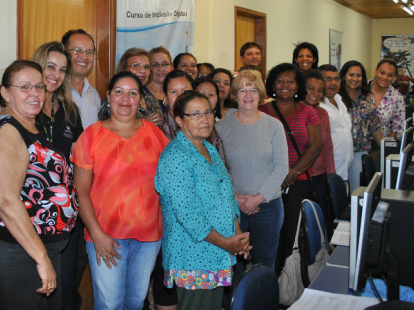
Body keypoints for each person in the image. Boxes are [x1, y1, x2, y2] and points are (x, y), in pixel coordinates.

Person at [0, 60, 77, 310]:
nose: (35, 93)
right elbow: (5, 200)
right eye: (25, 87)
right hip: (14, 250)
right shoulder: (8, 131)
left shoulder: (30, 124)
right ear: (6, 93)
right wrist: (41, 257)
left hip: (36, 247)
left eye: (39, 87)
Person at [72, 72, 170, 310]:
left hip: (148, 238)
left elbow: (169, 185)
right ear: (108, 96)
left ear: (140, 100)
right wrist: (96, 235)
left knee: (136, 302)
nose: (125, 99)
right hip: (105, 235)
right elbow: (81, 191)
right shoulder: (91, 136)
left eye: (133, 93)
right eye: (119, 92)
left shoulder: (155, 135)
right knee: (109, 304)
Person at [155, 91, 251, 310]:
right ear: (179, 120)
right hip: (192, 256)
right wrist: (227, 243)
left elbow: (228, 195)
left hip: (217, 251)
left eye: (207, 112)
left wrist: (238, 235)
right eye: (195, 114)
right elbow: (189, 216)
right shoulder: (175, 157)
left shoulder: (208, 148)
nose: (205, 119)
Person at [30, 42, 85, 310]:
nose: (56, 74)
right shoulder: (22, 107)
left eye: (62, 69)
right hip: (32, 214)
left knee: (65, 284)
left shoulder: (69, 111)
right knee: (35, 286)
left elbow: (82, 156)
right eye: (50, 66)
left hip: (66, 214)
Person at [217, 69, 288, 270]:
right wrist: (235, 198)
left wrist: (258, 198)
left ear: (261, 95)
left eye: (253, 90)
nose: (248, 95)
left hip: (268, 207)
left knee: (264, 265)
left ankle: (262, 302)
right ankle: (235, 302)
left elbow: (281, 166)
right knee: (234, 265)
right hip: (233, 207)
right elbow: (219, 168)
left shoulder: (274, 125)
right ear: (234, 95)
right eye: (242, 90)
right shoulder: (222, 127)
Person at [259, 63, 321, 274]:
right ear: (272, 85)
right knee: (268, 235)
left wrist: (292, 173)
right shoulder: (260, 111)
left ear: (298, 86)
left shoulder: (308, 112)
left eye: (290, 81)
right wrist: (277, 178)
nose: (285, 85)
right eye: (279, 81)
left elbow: (315, 146)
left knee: (290, 234)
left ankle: (285, 281)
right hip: (266, 185)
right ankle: (265, 279)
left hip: (298, 183)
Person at [338, 61, 383, 193]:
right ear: (344, 76)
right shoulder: (335, 97)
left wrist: (384, 147)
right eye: (351, 75)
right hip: (339, 153)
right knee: (338, 192)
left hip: (359, 152)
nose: (355, 79)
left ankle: (355, 214)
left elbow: (374, 125)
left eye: (358, 75)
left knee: (358, 193)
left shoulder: (368, 97)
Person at [302, 69, 336, 233]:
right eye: (310, 88)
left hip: (319, 177)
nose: (315, 93)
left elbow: (328, 147)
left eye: (320, 89)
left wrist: (331, 175)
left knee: (320, 220)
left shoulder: (323, 114)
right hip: (298, 178)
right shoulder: (293, 112)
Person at [98, 48, 163, 125]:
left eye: (146, 67)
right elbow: (106, 131)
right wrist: (142, 124)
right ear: (124, 69)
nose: (142, 71)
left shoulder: (151, 98)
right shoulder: (114, 99)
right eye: (135, 65)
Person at [318, 64, 354, 184]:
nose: (333, 83)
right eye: (327, 79)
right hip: (328, 171)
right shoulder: (318, 106)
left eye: (336, 79)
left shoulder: (340, 100)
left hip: (345, 169)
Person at [61, 29, 101, 129]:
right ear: (64, 53)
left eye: (89, 52)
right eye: (77, 50)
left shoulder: (94, 94)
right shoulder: (54, 93)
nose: (84, 56)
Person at [370, 58, 406, 139]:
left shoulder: (397, 97)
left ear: (394, 77)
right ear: (376, 71)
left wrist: (384, 148)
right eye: (382, 73)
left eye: (390, 75)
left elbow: (397, 128)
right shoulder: (361, 89)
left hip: (381, 143)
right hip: (356, 144)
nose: (385, 77)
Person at [146, 46, 173, 114]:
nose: (161, 69)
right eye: (155, 65)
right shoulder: (140, 94)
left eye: (165, 64)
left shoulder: (176, 92)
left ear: (171, 67)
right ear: (148, 68)